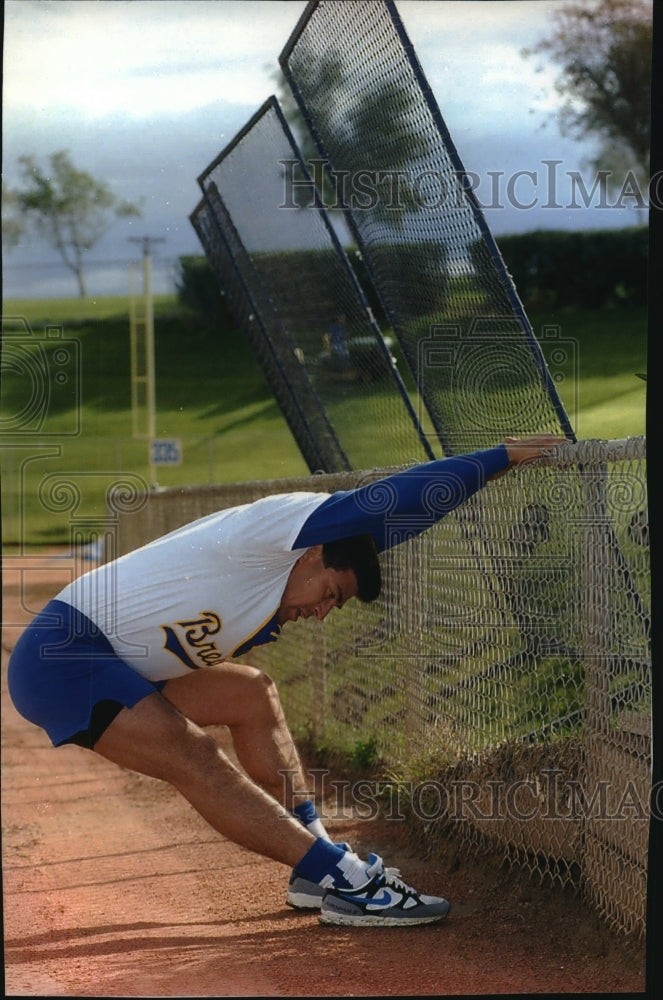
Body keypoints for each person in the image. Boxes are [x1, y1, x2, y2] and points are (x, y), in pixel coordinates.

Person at [8, 433, 564, 927]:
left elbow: (401, 523)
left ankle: (314, 868)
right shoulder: (275, 533)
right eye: (329, 595)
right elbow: (389, 501)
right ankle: (347, 879)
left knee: (252, 694)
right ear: (314, 553)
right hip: (64, 658)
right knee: (195, 757)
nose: (322, 612)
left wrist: (497, 474)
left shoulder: (302, 559)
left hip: (115, 661)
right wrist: (501, 454)